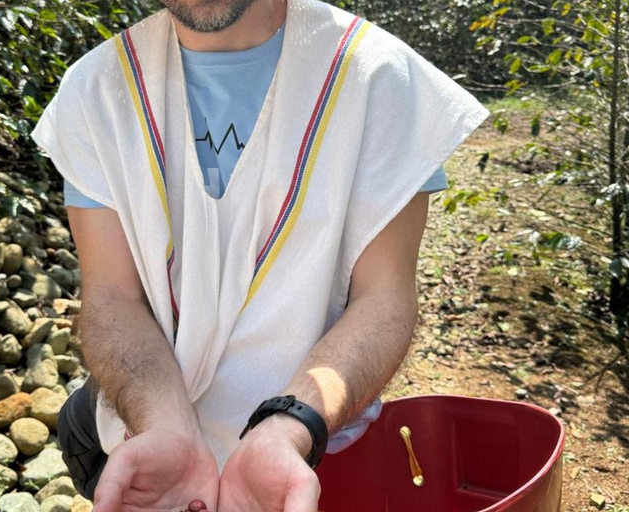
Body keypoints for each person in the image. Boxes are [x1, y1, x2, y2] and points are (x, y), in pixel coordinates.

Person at [30, 0, 490, 509]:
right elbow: (113, 296)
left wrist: (292, 426)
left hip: (311, 455)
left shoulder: (379, 79)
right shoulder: (97, 90)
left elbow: (382, 298)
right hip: (148, 451)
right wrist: (164, 426)